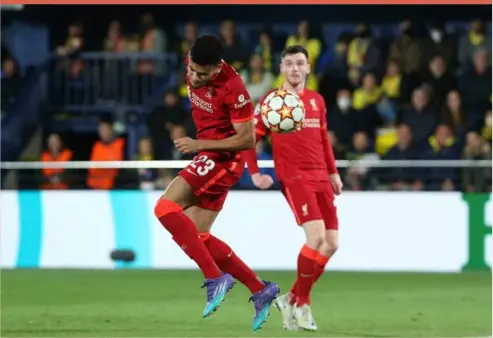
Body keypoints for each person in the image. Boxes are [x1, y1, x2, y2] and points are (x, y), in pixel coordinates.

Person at [153, 34, 279, 330]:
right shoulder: (194, 61)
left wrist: (198, 145)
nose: (195, 77)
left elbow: (247, 139)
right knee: (200, 236)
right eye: (192, 70)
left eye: (203, 74)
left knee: (164, 209)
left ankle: (214, 277)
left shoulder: (233, 89)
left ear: (218, 67)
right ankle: (260, 289)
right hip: (209, 153)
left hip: (223, 159)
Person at [243, 45, 343, 331]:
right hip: (295, 178)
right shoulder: (272, 102)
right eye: (289, 63)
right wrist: (255, 173)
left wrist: (333, 172)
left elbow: (323, 139)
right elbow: (250, 139)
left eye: (300, 63)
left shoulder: (317, 101)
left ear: (308, 67)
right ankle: (303, 303)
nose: (295, 68)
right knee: (316, 238)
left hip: (321, 176)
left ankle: (291, 297)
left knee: (332, 244)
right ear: (282, 68)